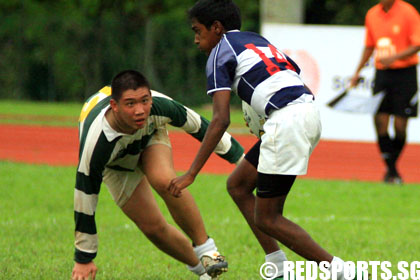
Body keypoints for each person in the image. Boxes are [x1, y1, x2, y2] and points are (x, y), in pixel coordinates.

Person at [168, 1, 354, 279]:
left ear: (216, 28)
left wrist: (191, 173)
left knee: (268, 218)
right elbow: (293, 78)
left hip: (286, 121)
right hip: (306, 113)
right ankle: (277, 265)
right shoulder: (257, 40)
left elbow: (220, 120)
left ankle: (342, 272)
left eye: (198, 31)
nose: (196, 39)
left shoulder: (219, 52)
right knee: (239, 185)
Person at [72, 69, 245, 280]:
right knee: (153, 228)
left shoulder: (159, 106)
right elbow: (85, 196)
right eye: (130, 104)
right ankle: (204, 272)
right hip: (116, 164)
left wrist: (241, 159)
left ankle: (207, 250)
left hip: (149, 137)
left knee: (165, 181)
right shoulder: (96, 143)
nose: (140, 110)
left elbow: (201, 126)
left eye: (145, 101)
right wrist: (84, 258)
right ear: (114, 106)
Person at [350, 0, 420, 184]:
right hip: (382, 74)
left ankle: (391, 169)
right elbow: (369, 45)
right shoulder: (372, 14)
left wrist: (395, 57)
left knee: (400, 126)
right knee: (380, 120)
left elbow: (417, 43)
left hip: (405, 74)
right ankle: (392, 171)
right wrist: (357, 72)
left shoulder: (408, 12)